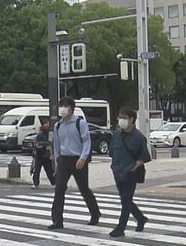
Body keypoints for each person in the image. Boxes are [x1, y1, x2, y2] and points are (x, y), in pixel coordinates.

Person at [49, 96, 101, 230]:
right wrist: (57, 160)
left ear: (72, 109)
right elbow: (57, 144)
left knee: (84, 188)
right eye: (61, 106)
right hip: (64, 160)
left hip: (78, 159)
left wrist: (83, 158)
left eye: (66, 106)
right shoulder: (58, 125)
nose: (63, 109)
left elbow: (86, 141)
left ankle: (95, 213)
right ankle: (57, 220)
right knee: (59, 188)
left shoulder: (80, 123)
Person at [108, 108, 151, 237]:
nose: (121, 119)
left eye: (124, 117)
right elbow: (112, 152)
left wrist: (133, 167)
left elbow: (143, 156)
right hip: (117, 171)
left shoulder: (138, 137)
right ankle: (140, 218)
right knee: (125, 199)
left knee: (126, 199)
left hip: (130, 173)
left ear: (132, 119)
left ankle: (121, 228)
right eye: (120, 116)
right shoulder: (116, 135)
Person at [31, 118, 55, 189]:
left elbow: (50, 142)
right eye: (45, 123)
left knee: (49, 170)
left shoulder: (50, 133)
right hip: (39, 154)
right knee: (37, 170)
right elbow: (36, 142)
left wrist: (42, 144)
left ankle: (54, 183)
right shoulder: (39, 133)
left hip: (46, 154)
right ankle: (36, 183)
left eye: (47, 123)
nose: (46, 125)